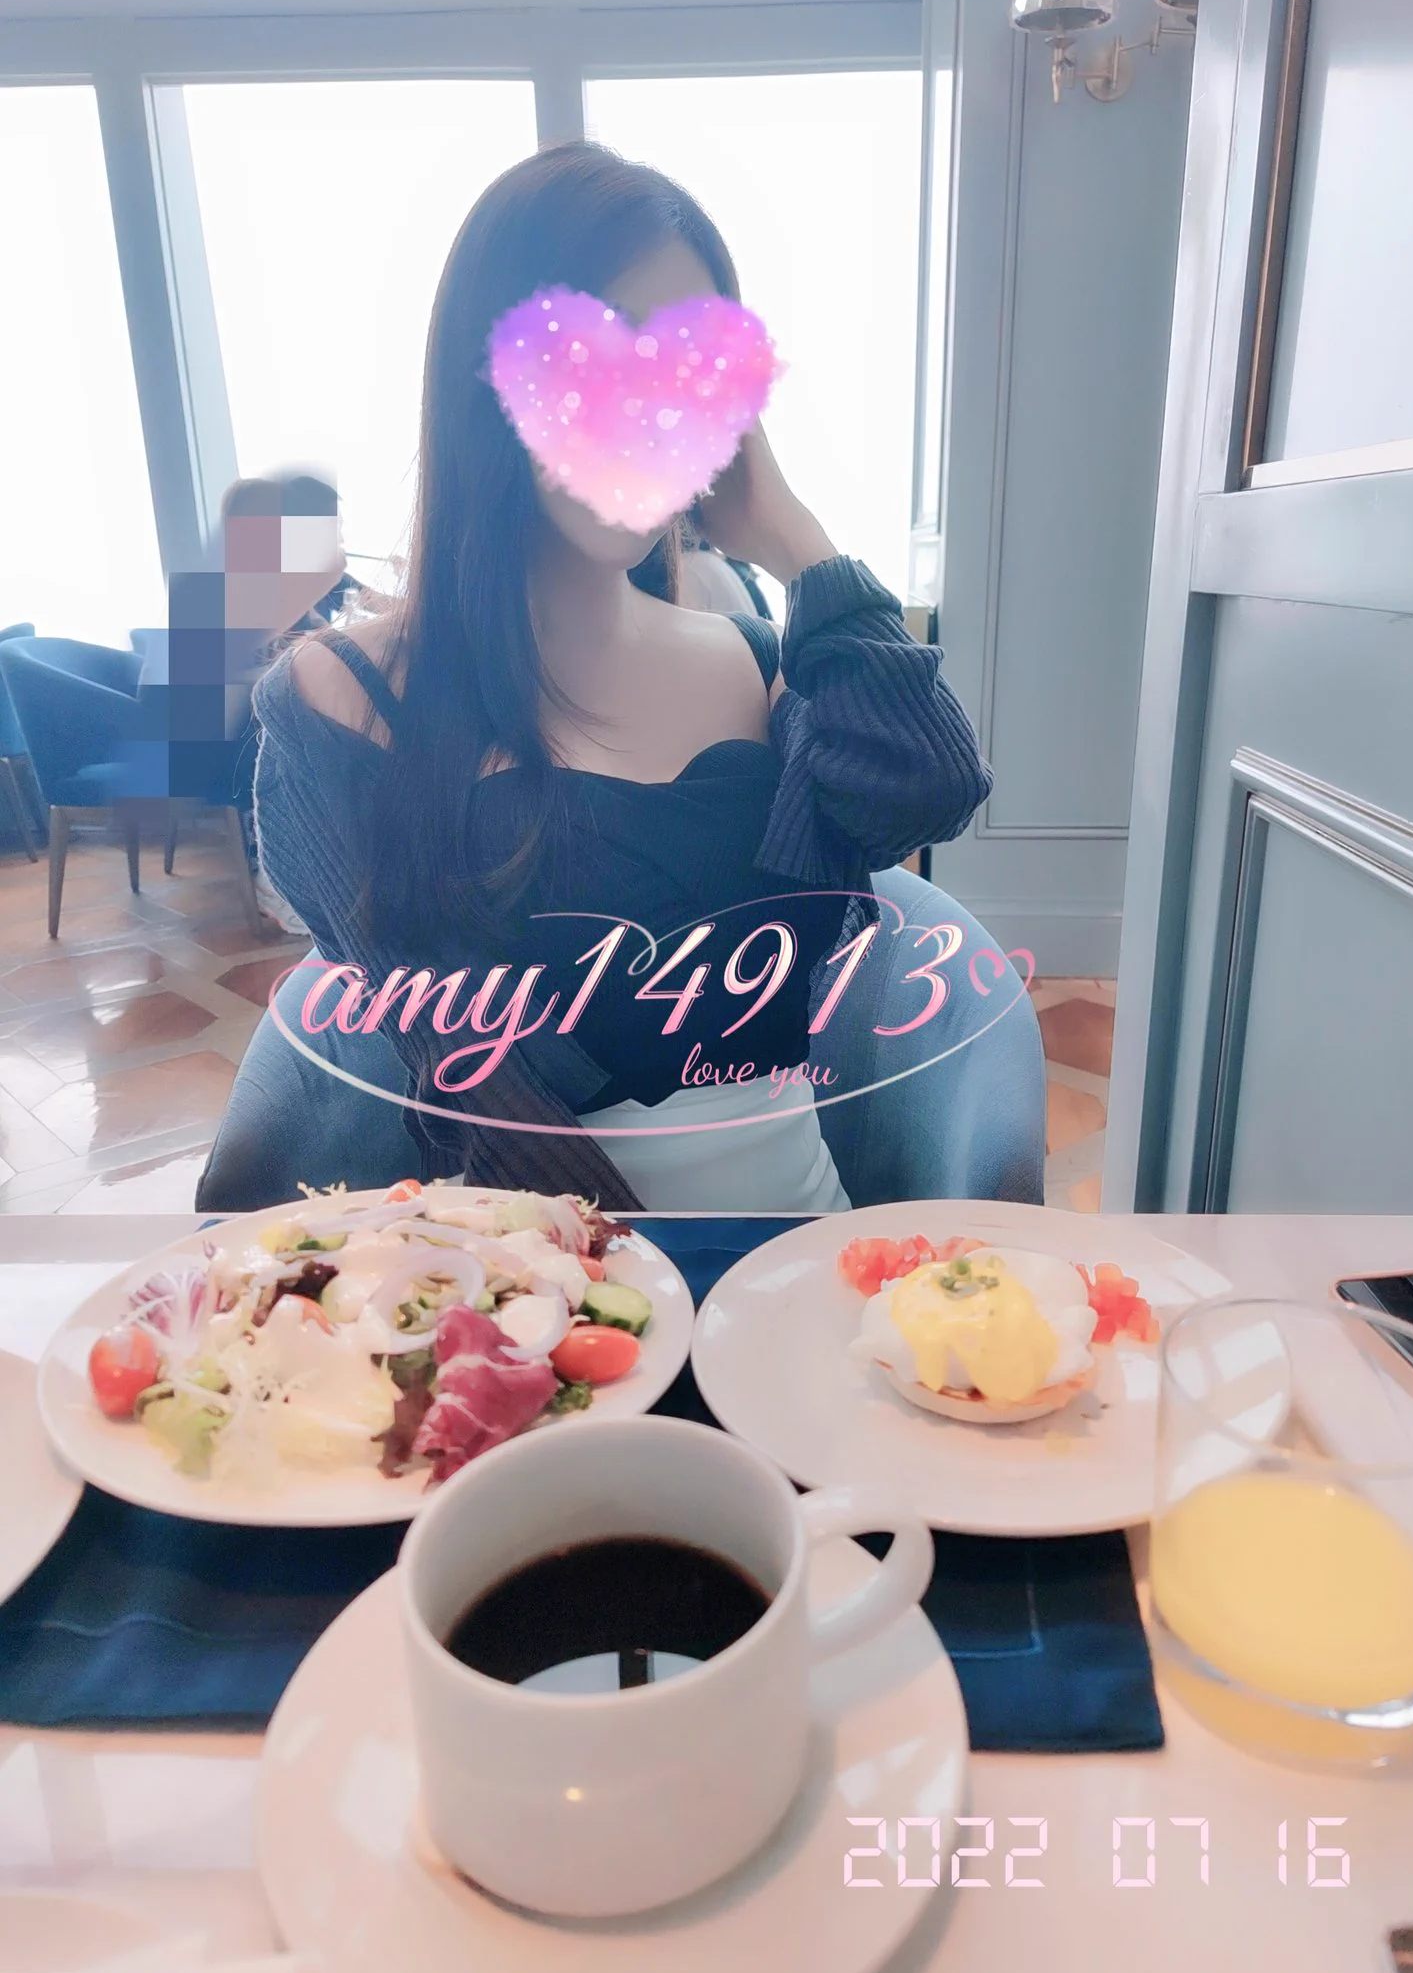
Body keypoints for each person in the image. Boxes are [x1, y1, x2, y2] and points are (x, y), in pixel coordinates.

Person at [250, 140, 991, 1212]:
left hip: (798, 1255)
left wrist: (798, 542)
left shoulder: (752, 660)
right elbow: (466, 1073)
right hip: (545, 1276)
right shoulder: (339, 699)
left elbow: (931, 789)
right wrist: (632, 1281)